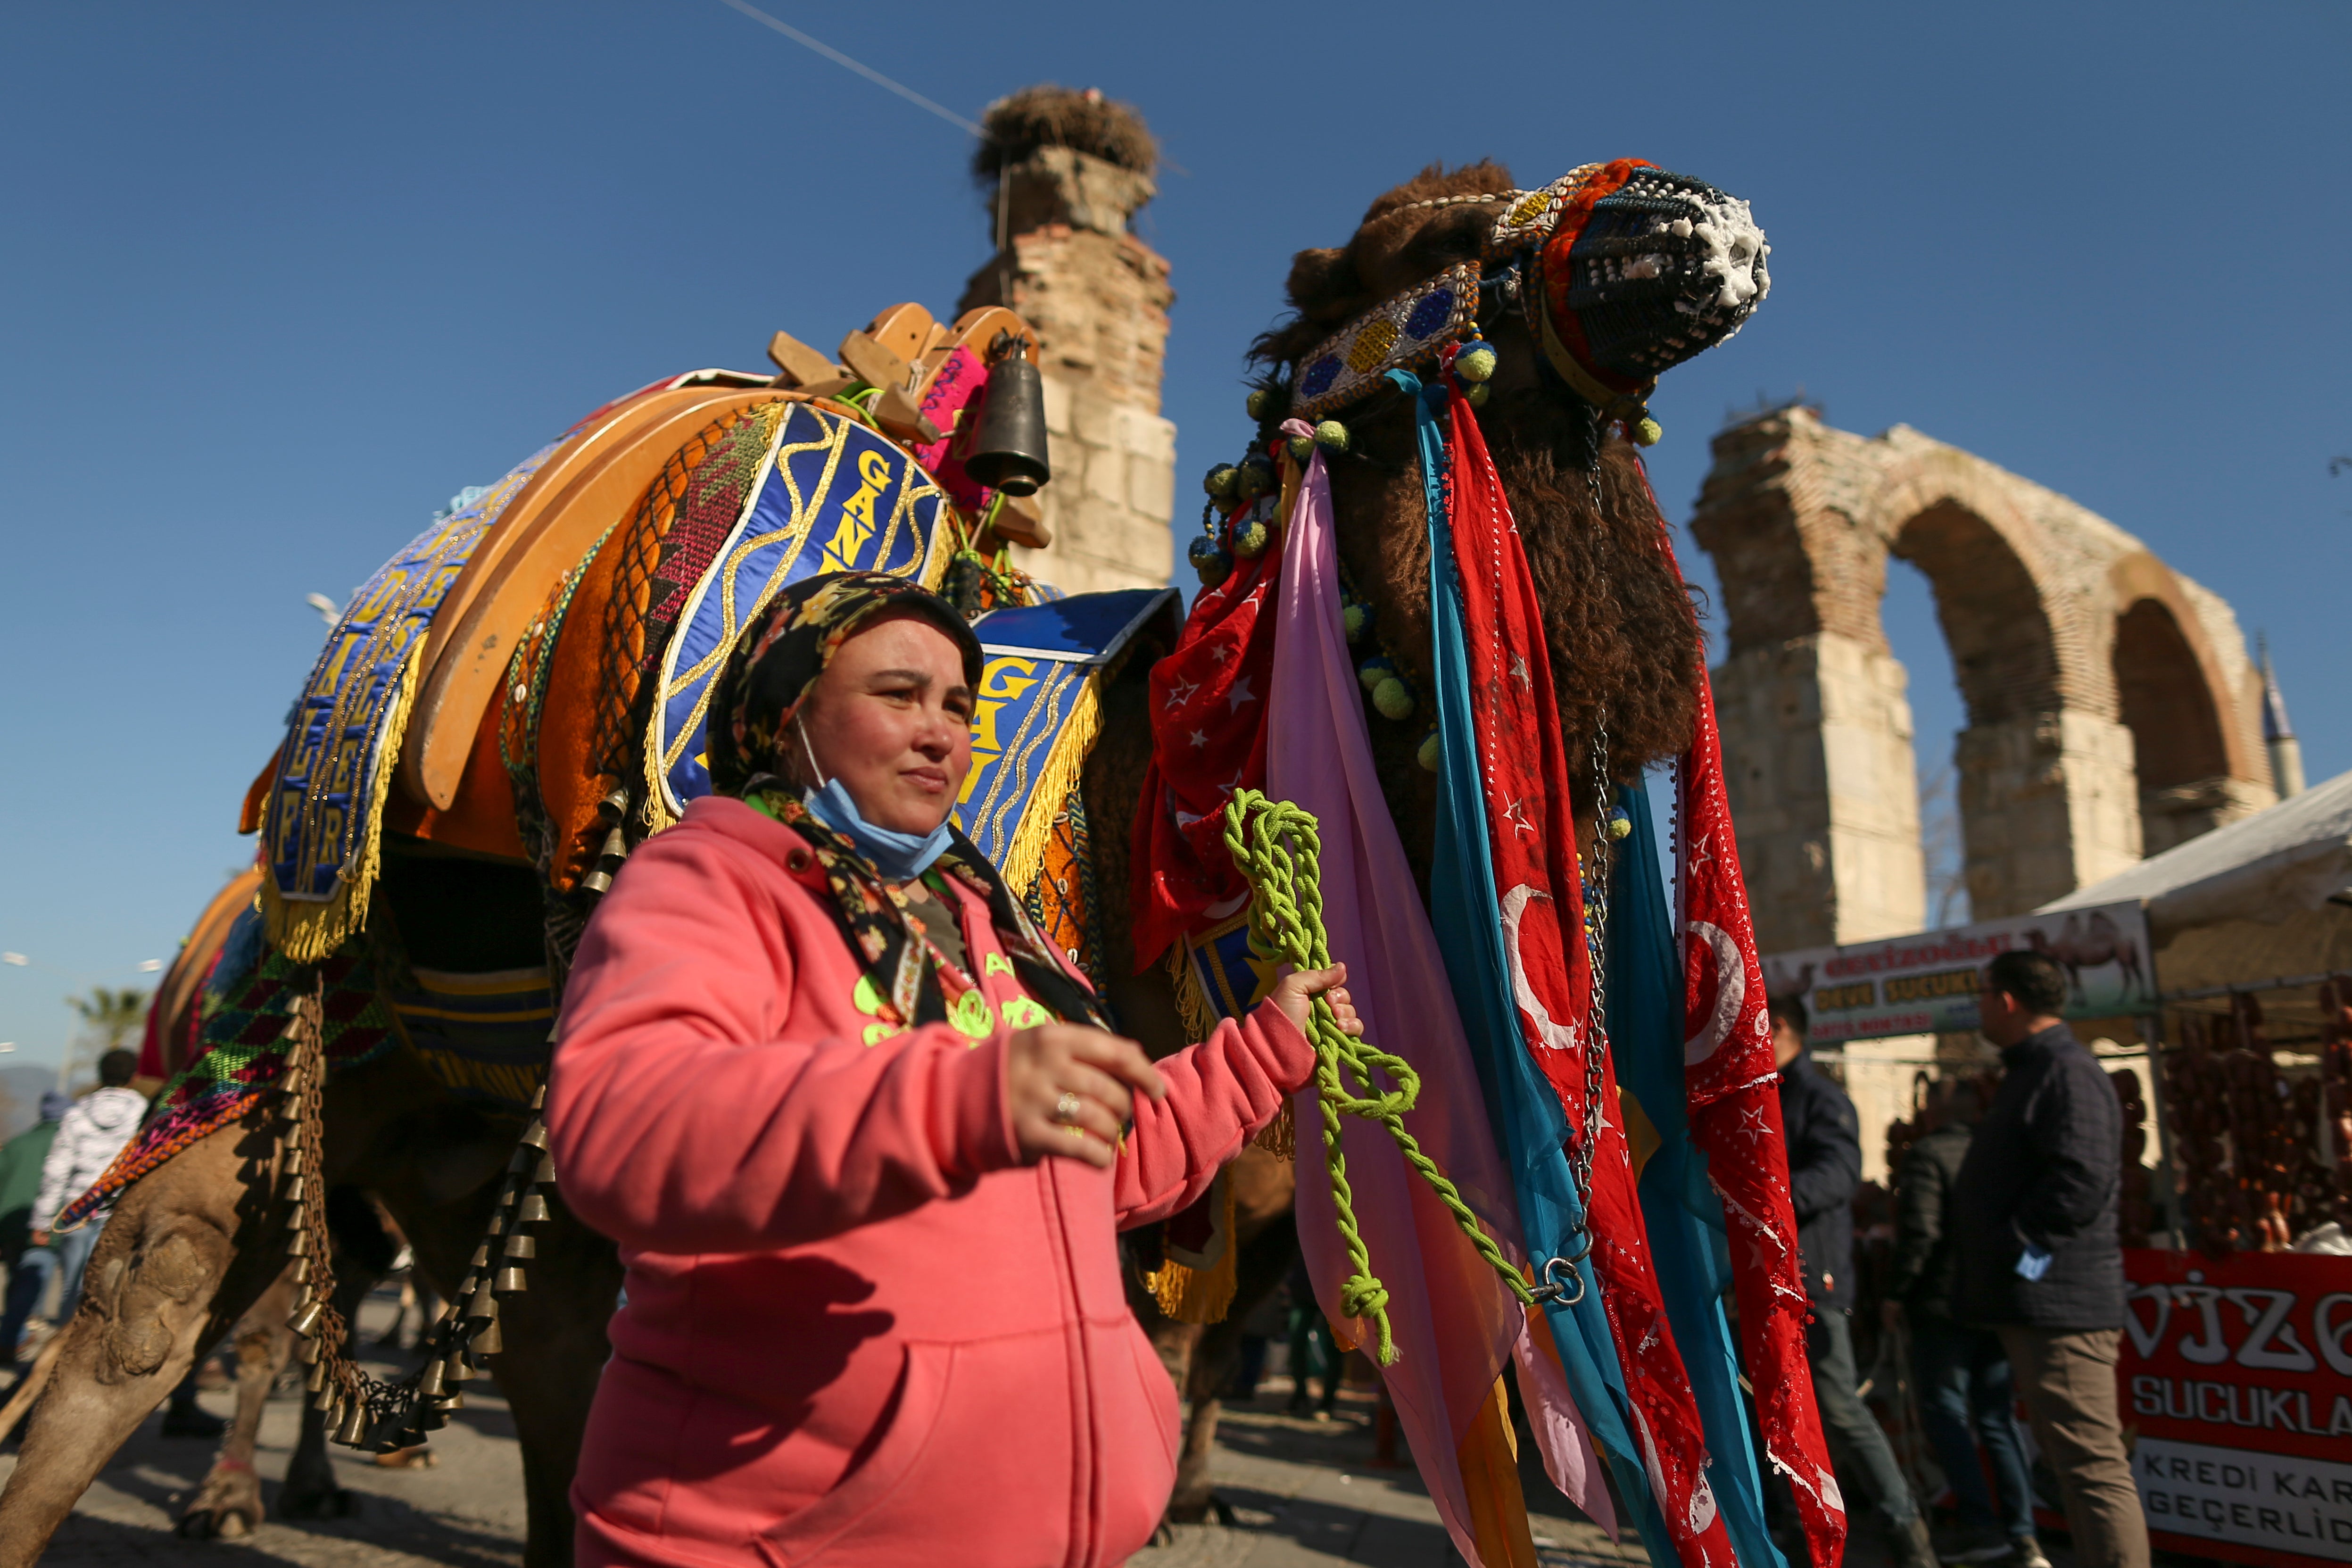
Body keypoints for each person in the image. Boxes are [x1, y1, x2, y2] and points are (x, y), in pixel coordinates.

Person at [547, 573, 1351, 1568]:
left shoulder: (981, 917)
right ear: (788, 713)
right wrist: (948, 1099)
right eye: (897, 694)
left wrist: (1267, 1046)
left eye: (959, 705)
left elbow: (1098, 1157)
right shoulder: (708, 879)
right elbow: (626, 1126)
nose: (939, 731)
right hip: (774, 1539)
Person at [1953, 951, 2148, 1568]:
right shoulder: (2036, 1069)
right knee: (2073, 1468)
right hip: (2042, 1301)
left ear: (2007, 1000)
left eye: (1983, 994)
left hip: (2062, 1305)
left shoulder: (2065, 1070)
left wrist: (2019, 1252)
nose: (1979, 1007)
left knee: (2092, 1467)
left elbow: (2083, 1181)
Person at [1772, 997, 1937, 1568]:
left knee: (1839, 1405)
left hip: (1812, 1283)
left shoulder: (1819, 1099)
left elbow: (1837, 1174)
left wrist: (1767, 1200)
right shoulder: (1765, 1093)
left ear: (1780, 1028)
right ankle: (1795, 1528)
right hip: (1764, 1280)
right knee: (1775, 1410)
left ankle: (1904, 1527)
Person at [1887, 1079, 2046, 1568]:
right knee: (1995, 1416)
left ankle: (1981, 1522)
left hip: (1944, 1303)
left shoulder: (1928, 1155)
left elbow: (1921, 1231)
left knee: (1946, 1411)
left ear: (1933, 1111)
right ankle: (2021, 1532)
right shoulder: (1999, 1153)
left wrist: (1896, 1292)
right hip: (1992, 1300)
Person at [29, 1051, 223, 1437]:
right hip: (128, 1219)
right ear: (135, 1076)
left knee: (76, 1305)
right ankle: (176, 1401)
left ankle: (46, 1396)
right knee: (149, 1307)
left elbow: (56, 1169)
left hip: (80, 1218)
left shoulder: (78, 1113)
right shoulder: (149, 1112)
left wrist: (42, 1219)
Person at [0, 1092, 71, 1364]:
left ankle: (13, 1336)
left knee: (16, 1281)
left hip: (11, 1224)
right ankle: (12, 1340)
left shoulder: (16, 1144)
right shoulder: (66, 1144)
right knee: (31, 1282)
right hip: (46, 1228)